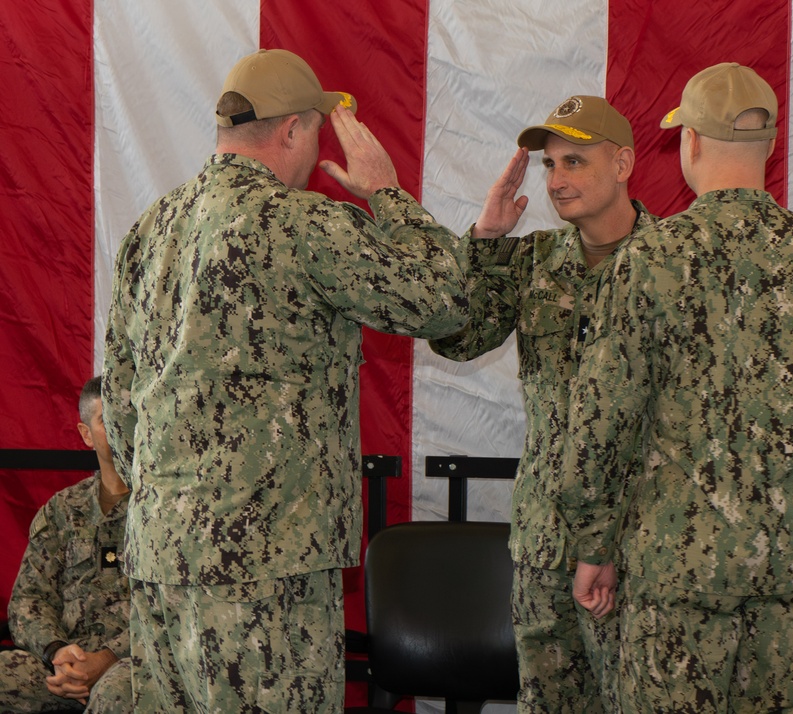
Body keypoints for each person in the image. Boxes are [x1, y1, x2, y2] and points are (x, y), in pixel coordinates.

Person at [101, 48, 468, 712]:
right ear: (294, 130)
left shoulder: (147, 231)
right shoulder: (303, 224)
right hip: (267, 566)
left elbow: (122, 406)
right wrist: (386, 192)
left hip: (159, 557)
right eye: (316, 133)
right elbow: (444, 298)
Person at [563, 62, 793, 712]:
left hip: (673, 577)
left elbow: (597, 429)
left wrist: (593, 545)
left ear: (688, 142)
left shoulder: (643, 262)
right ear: (770, 144)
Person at [430, 95, 658, 713]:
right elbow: (456, 337)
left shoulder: (674, 265)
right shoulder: (532, 262)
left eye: (575, 162)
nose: (557, 181)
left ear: (623, 164)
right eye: (550, 166)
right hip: (544, 546)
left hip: (641, 545)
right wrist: (483, 240)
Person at [0, 376, 132, 713]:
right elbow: (29, 600)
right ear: (86, 434)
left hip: (132, 663)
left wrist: (107, 657)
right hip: (63, 667)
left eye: (128, 415)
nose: (120, 426)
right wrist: (56, 651)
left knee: (116, 695)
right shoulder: (62, 510)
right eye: (107, 419)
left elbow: (171, 607)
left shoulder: (162, 511)